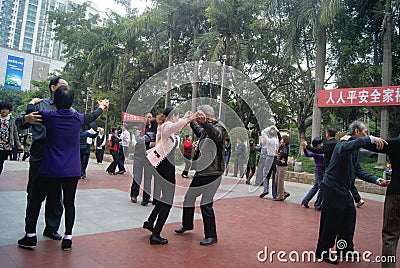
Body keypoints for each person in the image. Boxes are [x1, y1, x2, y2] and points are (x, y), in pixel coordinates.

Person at [17, 86, 109, 250]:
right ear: (71, 102)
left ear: (55, 102)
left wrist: (32, 102)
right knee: (69, 202)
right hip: (71, 169)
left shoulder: (49, 116)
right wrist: (102, 106)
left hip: (49, 167)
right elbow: (93, 115)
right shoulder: (78, 118)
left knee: (35, 199)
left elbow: (31, 113)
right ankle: (67, 237)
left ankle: (30, 235)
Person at [315, 120, 388, 264]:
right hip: (332, 188)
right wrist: (371, 139)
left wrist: (377, 180)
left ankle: (344, 249)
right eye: (366, 132)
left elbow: (358, 169)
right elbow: (347, 147)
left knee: (349, 218)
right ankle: (323, 252)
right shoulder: (343, 144)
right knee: (331, 222)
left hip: (344, 190)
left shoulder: (355, 149)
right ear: (356, 132)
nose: (367, 134)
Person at [15, 77, 69, 241]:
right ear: (53, 87)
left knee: (56, 193)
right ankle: (30, 231)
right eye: (62, 86)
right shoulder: (39, 104)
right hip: (41, 150)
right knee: (35, 192)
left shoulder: (67, 107)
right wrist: (26, 119)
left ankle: (51, 228)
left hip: (59, 152)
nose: (66, 89)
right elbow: (18, 122)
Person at [175, 105, 227, 246]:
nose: (200, 119)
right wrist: (192, 121)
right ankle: (187, 224)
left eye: (201, 116)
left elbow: (216, 135)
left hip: (213, 173)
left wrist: (203, 122)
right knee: (189, 198)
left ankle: (211, 235)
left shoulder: (220, 126)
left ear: (208, 116)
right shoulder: (205, 128)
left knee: (206, 204)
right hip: (201, 172)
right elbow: (199, 131)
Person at [142, 106, 194, 245]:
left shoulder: (167, 127)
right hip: (164, 165)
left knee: (164, 198)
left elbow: (180, 126)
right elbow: (176, 126)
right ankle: (156, 233)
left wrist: (189, 118)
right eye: (177, 115)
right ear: (173, 116)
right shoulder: (166, 126)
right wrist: (186, 118)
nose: (178, 118)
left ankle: (150, 221)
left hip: (164, 165)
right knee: (168, 200)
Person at [362, 137, 399, 268]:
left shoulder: (396, 144)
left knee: (390, 236)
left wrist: (351, 138)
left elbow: (374, 145)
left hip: (396, 193)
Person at [130, 112, 158, 206]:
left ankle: (146, 197)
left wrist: (147, 139)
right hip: (139, 154)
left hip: (149, 156)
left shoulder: (155, 129)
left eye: (151, 117)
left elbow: (156, 141)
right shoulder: (139, 128)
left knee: (148, 177)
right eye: (147, 117)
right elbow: (139, 140)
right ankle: (134, 194)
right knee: (137, 175)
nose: (149, 119)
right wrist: (149, 139)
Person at [301, 137, 324, 209]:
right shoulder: (316, 152)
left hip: (320, 170)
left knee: (316, 187)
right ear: (318, 145)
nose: (322, 144)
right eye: (321, 143)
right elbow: (307, 155)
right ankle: (317, 204)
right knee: (321, 188)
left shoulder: (320, 150)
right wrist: (304, 148)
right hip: (320, 171)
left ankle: (305, 201)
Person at [0, 101, 22, 174]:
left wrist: (18, 144)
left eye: (6, 109)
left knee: (1, 162)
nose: (4, 110)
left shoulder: (11, 120)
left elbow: (15, 133)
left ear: (9, 110)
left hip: (6, 145)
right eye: (2, 109)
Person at [259, 126, 280, 197]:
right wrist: (277, 130)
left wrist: (270, 127)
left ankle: (265, 189)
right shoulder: (277, 141)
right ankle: (274, 194)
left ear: (270, 135)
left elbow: (263, 132)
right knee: (274, 176)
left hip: (269, 158)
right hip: (275, 158)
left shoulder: (269, 140)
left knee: (266, 175)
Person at [274, 135, 290, 201]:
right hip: (278, 166)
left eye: (282, 140)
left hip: (282, 167)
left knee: (280, 182)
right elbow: (279, 137)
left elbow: (284, 154)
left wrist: (279, 155)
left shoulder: (285, 148)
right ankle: (284, 193)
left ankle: (280, 196)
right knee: (276, 181)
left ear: (285, 142)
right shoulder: (281, 146)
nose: (281, 141)